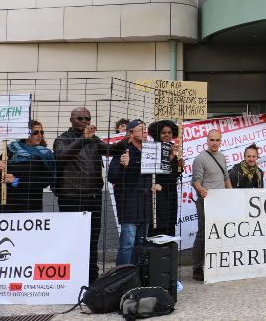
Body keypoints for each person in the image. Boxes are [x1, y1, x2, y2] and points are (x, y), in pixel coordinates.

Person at [53, 107, 129, 283]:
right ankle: (73, 277)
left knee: (92, 239)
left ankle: (92, 277)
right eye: (80, 118)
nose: (85, 121)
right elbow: (62, 156)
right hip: (71, 197)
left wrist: (126, 140)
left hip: (93, 196)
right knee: (72, 239)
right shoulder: (62, 139)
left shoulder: (93, 139)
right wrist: (83, 139)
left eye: (87, 118)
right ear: (71, 120)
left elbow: (110, 150)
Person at [108, 120, 162, 266]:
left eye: (146, 129)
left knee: (141, 242)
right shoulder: (123, 150)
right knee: (128, 244)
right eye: (141, 129)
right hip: (128, 204)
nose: (145, 132)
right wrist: (122, 165)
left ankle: (138, 274)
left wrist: (156, 184)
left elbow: (156, 174)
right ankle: (122, 274)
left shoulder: (150, 151)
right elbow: (112, 177)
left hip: (146, 203)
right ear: (131, 132)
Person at [191, 129, 232, 281]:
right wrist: (201, 190)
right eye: (212, 140)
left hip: (221, 202)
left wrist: (232, 195)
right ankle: (197, 268)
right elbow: (195, 181)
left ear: (221, 141)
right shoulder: (200, 159)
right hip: (205, 202)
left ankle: (215, 265)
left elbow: (226, 178)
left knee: (219, 233)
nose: (214, 143)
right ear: (207, 141)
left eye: (217, 140)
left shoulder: (222, 157)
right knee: (203, 233)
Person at [0, 120, 56, 213]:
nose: (40, 135)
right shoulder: (10, 150)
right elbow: (1, 175)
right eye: (36, 132)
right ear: (26, 134)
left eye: (41, 132)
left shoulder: (45, 154)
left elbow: (45, 180)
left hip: (30, 205)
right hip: (7, 203)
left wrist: (16, 181)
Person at [147, 120, 184, 237]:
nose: (167, 135)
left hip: (171, 192)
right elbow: (160, 173)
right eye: (163, 133)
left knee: (170, 223)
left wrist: (180, 166)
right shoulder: (153, 149)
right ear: (158, 134)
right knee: (160, 224)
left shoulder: (172, 148)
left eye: (169, 132)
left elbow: (174, 174)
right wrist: (172, 157)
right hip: (158, 192)